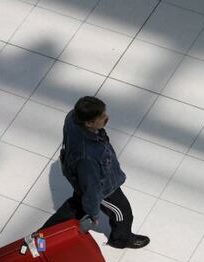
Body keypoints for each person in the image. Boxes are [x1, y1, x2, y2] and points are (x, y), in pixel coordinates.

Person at [41, 96, 150, 249]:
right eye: (102, 118)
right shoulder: (89, 156)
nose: (107, 118)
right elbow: (92, 189)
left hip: (77, 172)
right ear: (89, 123)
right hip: (103, 187)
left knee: (76, 205)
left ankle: (42, 236)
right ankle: (121, 239)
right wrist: (93, 214)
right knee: (122, 213)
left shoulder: (73, 117)